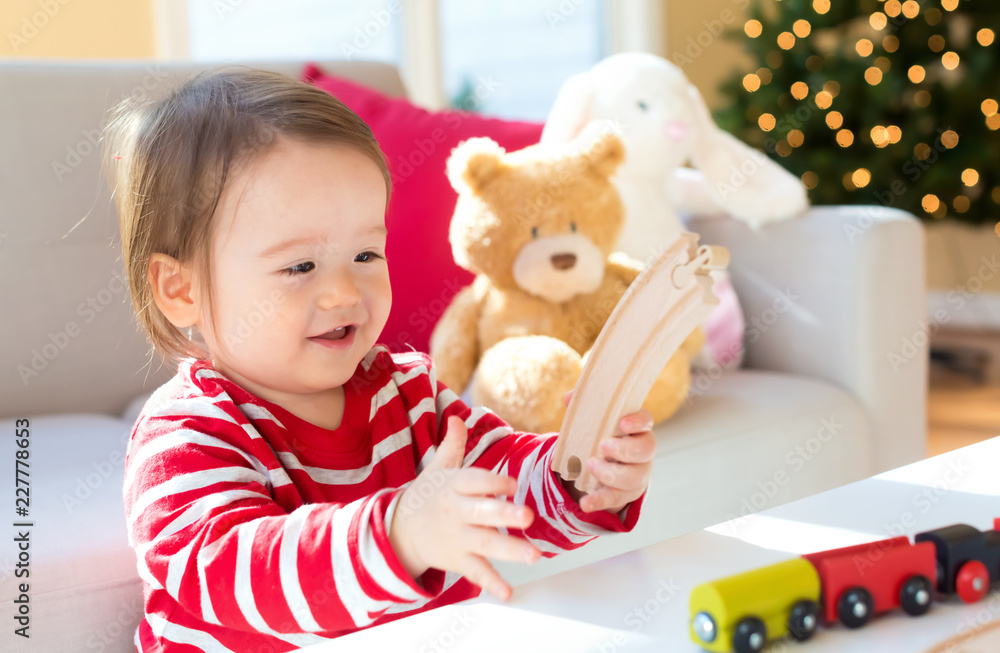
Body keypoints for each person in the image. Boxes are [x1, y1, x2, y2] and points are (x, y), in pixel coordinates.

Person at [105, 67, 656, 652]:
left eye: (366, 253)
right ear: (181, 290)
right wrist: (400, 532)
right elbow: (237, 571)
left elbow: (503, 488)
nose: (346, 292)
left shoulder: (411, 397)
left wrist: (582, 474)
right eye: (300, 267)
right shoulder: (186, 436)